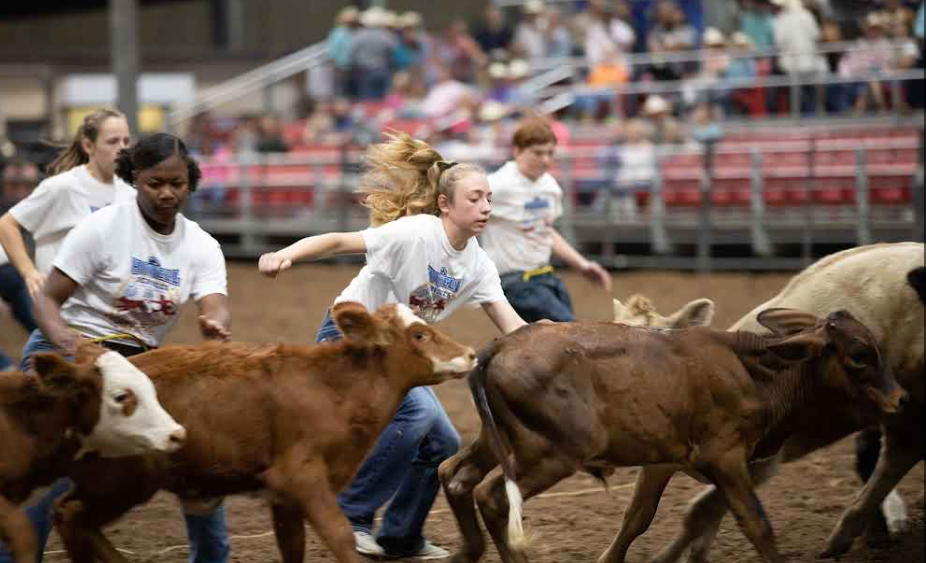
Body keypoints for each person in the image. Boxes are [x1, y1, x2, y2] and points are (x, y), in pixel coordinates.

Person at [257, 131, 528, 560]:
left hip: (400, 356)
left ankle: (401, 535)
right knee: (418, 414)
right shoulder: (415, 233)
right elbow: (339, 241)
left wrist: (561, 342)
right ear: (445, 204)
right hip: (352, 336)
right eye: (475, 198)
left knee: (442, 442)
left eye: (489, 198)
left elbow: (513, 324)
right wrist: (286, 254)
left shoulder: (478, 263)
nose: (486, 207)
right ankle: (352, 515)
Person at [0, 133, 233, 563]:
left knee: (193, 453)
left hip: (137, 364)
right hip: (75, 351)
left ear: (190, 183)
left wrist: (215, 322)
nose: (166, 193)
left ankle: (211, 557)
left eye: (176, 183)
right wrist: (69, 343)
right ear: (134, 179)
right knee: (50, 466)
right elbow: (48, 299)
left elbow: (215, 302)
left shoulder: (201, 245)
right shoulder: (103, 227)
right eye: (154, 183)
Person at [480, 118, 612, 323]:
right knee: (569, 334)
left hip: (546, 277)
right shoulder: (496, 185)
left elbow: (546, 230)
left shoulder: (549, 186)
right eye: (538, 153)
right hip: (515, 283)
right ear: (517, 151)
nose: (545, 160)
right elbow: (461, 214)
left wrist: (582, 265)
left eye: (550, 153)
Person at [0, 108, 135, 301]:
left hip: (106, 318)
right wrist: (29, 272)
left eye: (126, 141)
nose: (122, 148)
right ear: (88, 146)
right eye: (113, 141)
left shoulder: (129, 196)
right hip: (61, 314)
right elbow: (7, 225)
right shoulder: (63, 187)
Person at [0, 158, 41, 371]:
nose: (20, 191)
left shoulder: (43, 209)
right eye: (14, 185)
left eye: (27, 185)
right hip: (10, 271)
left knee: (39, 317)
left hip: (19, 277)